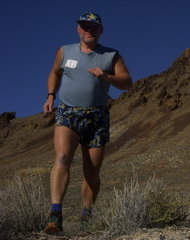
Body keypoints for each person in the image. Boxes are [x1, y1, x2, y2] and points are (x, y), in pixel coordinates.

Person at [42, 12, 132, 234]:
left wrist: (107, 77)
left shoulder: (111, 55)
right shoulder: (65, 51)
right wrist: (51, 95)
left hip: (97, 117)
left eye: (93, 26)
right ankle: (55, 216)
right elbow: (55, 73)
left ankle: (86, 215)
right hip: (68, 112)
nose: (88, 29)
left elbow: (127, 82)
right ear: (78, 29)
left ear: (100, 30)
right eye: (84, 25)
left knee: (91, 171)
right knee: (62, 158)